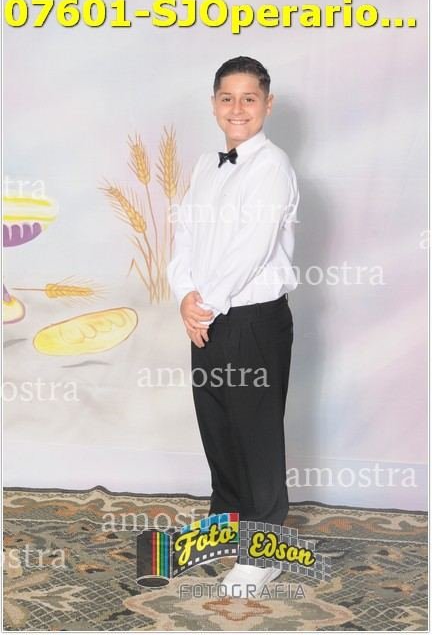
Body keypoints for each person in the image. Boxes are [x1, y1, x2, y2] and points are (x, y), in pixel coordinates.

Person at [166, 56, 300, 597]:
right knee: (217, 423)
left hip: (252, 320)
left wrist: (209, 302)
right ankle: (226, 522)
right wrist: (185, 296)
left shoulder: (272, 166)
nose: (237, 108)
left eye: (249, 98)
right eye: (227, 97)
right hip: (206, 316)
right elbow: (185, 234)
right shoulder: (206, 164)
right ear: (214, 104)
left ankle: (265, 552)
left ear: (268, 103)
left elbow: (253, 247)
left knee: (256, 431)